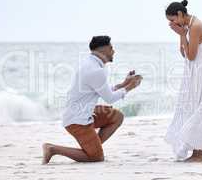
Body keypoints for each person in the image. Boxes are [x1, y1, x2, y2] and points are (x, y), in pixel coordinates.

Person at [42, 35, 142, 164]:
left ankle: (92, 146)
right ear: (104, 49)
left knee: (117, 116)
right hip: (77, 121)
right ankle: (52, 149)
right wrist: (129, 87)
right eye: (111, 48)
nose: (114, 51)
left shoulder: (91, 64)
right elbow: (109, 98)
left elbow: (104, 91)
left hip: (82, 112)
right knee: (96, 158)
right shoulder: (95, 70)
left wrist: (123, 84)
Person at [164, 0, 202, 162]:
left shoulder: (196, 26)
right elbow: (183, 53)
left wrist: (183, 34)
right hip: (192, 71)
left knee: (199, 109)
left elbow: (192, 56)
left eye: (172, 20)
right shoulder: (187, 27)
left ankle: (200, 153)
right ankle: (195, 151)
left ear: (179, 14)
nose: (171, 24)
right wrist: (182, 35)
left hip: (200, 72)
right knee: (189, 108)